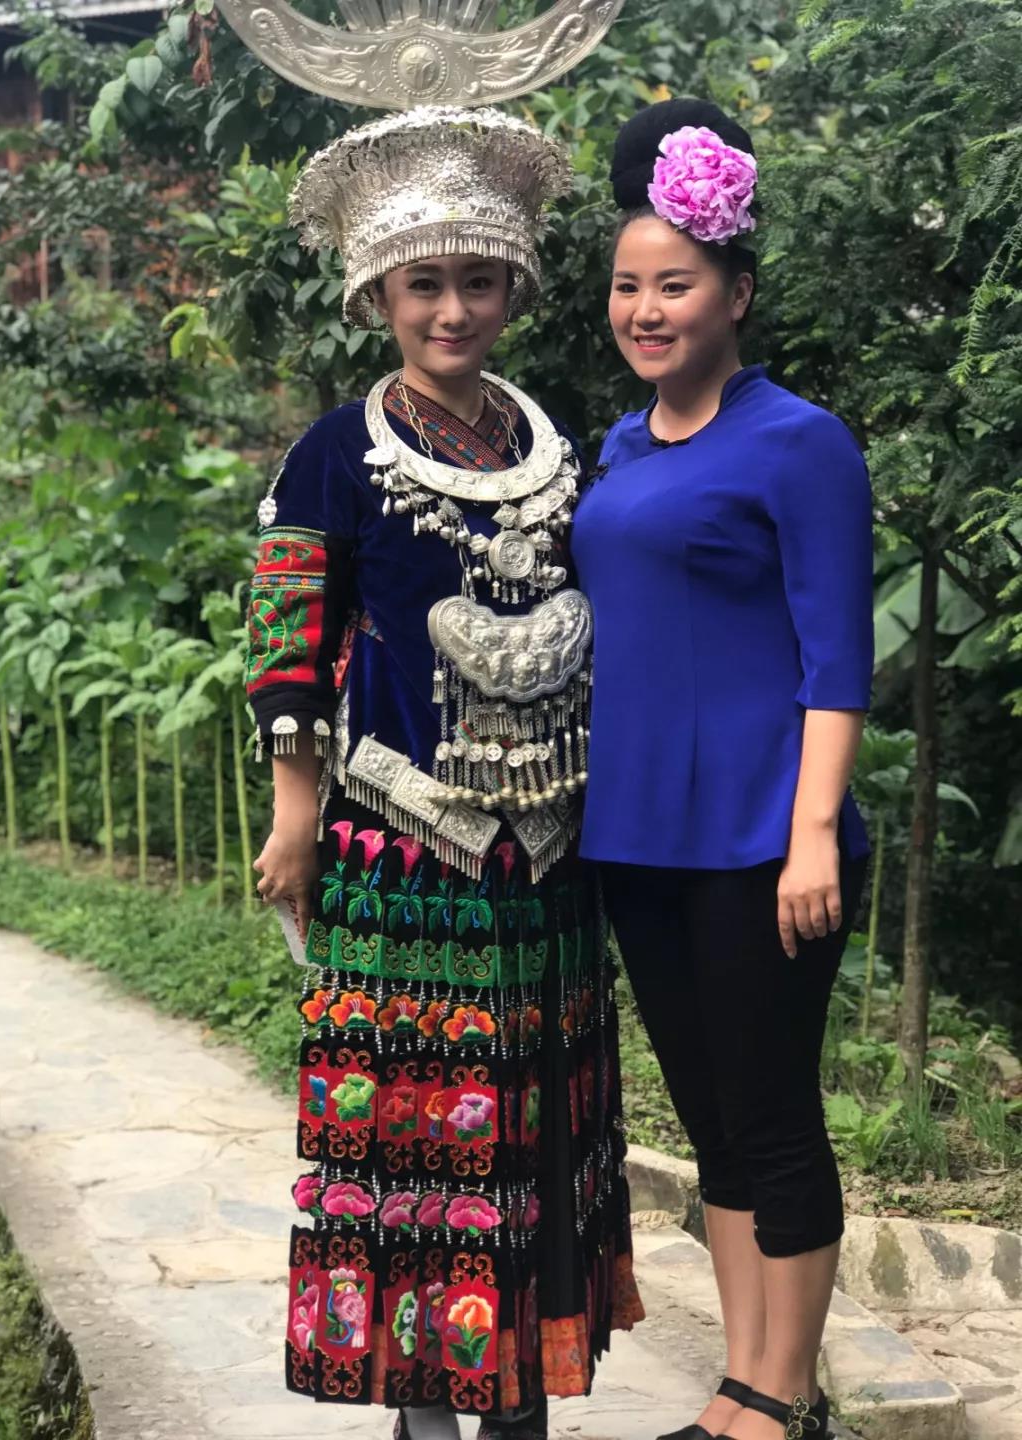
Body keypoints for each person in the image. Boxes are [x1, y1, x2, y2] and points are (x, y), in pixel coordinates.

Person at [243, 106, 643, 1440]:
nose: (453, 310)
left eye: (478, 281)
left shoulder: (558, 444)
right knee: (414, 1138)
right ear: (379, 296)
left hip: (551, 859)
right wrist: (296, 816)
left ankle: (520, 1401)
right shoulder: (332, 454)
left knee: (531, 1135)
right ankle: (423, 1410)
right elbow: (289, 646)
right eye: (425, 285)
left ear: (515, 287)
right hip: (401, 849)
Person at [572, 99, 874, 1440]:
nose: (646, 310)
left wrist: (814, 833)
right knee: (712, 1125)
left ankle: (783, 1396)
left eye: (675, 284)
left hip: (762, 834)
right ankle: (745, 1386)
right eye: (627, 286)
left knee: (773, 1113)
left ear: (736, 294)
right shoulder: (621, 448)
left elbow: (838, 657)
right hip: (639, 836)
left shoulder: (799, 440)